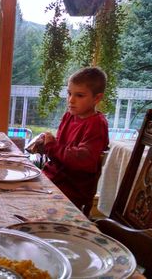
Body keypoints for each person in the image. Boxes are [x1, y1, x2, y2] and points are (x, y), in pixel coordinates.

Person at [42, 67, 109, 213]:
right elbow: (60, 148)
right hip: (53, 178)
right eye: (69, 93)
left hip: (72, 188)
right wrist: (46, 142)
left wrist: (52, 147)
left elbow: (83, 159)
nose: (71, 100)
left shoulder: (96, 124)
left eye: (79, 95)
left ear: (97, 98)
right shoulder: (69, 116)